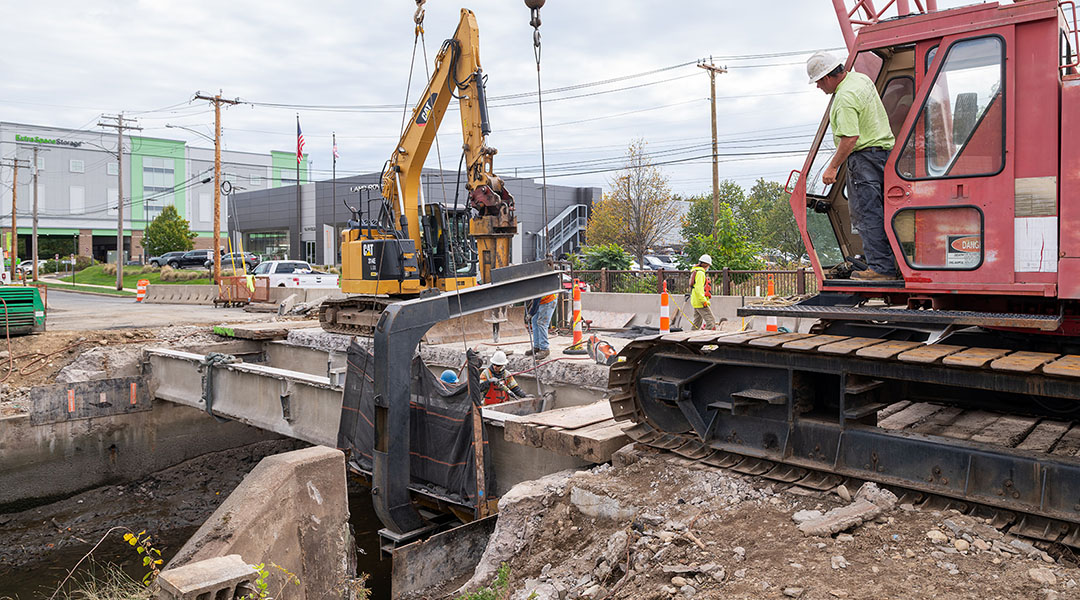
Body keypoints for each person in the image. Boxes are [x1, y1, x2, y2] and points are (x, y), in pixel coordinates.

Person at [807, 51, 900, 281]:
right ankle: (891, 262)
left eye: (818, 81)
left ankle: (881, 268)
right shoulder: (861, 80)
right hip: (884, 154)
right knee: (885, 210)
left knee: (866, 214)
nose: (818, 87)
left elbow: (850, 138)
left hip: (864, 158)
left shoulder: (844, 99)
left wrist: (832, 167)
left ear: (829, 76)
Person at [525, 292, 558, 360]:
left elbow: (536, 300)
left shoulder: (536, 286)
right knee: (534, 321)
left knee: (542, 323)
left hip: (549, 300)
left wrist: (531, 313)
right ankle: (537, 347)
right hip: (541, 301)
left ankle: (544, 349)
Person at [690, 254, 716, 330]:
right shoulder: (701, 273)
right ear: (707, 265)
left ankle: (691, 338)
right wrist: (703, 300)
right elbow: (699, 289)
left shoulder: (696, 271)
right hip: (700, 302)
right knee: (711, 322)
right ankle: (705, 339)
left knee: (696, 324)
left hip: (695, 301)